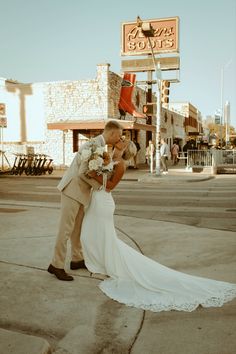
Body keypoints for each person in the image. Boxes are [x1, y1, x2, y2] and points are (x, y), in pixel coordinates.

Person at [79, 141, 236, 313]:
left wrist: (93, 174)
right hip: (96, 200)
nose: (119, 142)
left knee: (100, 234)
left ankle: (101, 264)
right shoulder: (106, 158)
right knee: (91, 232)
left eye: (123, 143)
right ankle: (98, 261)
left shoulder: (121, 165)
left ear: (124, 150)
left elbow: (109, 187)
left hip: (104, 202)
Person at [47, 120, 123, 281]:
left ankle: (76, 259)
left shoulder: (100, 146)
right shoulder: (94, 145)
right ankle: (56, 265)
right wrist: (99, 186)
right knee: (65, 229)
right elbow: (83, 172)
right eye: (119, 135)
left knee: (77, 229)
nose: (119, 139)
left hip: (81, 193)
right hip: (72, 190)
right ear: (111, 133)